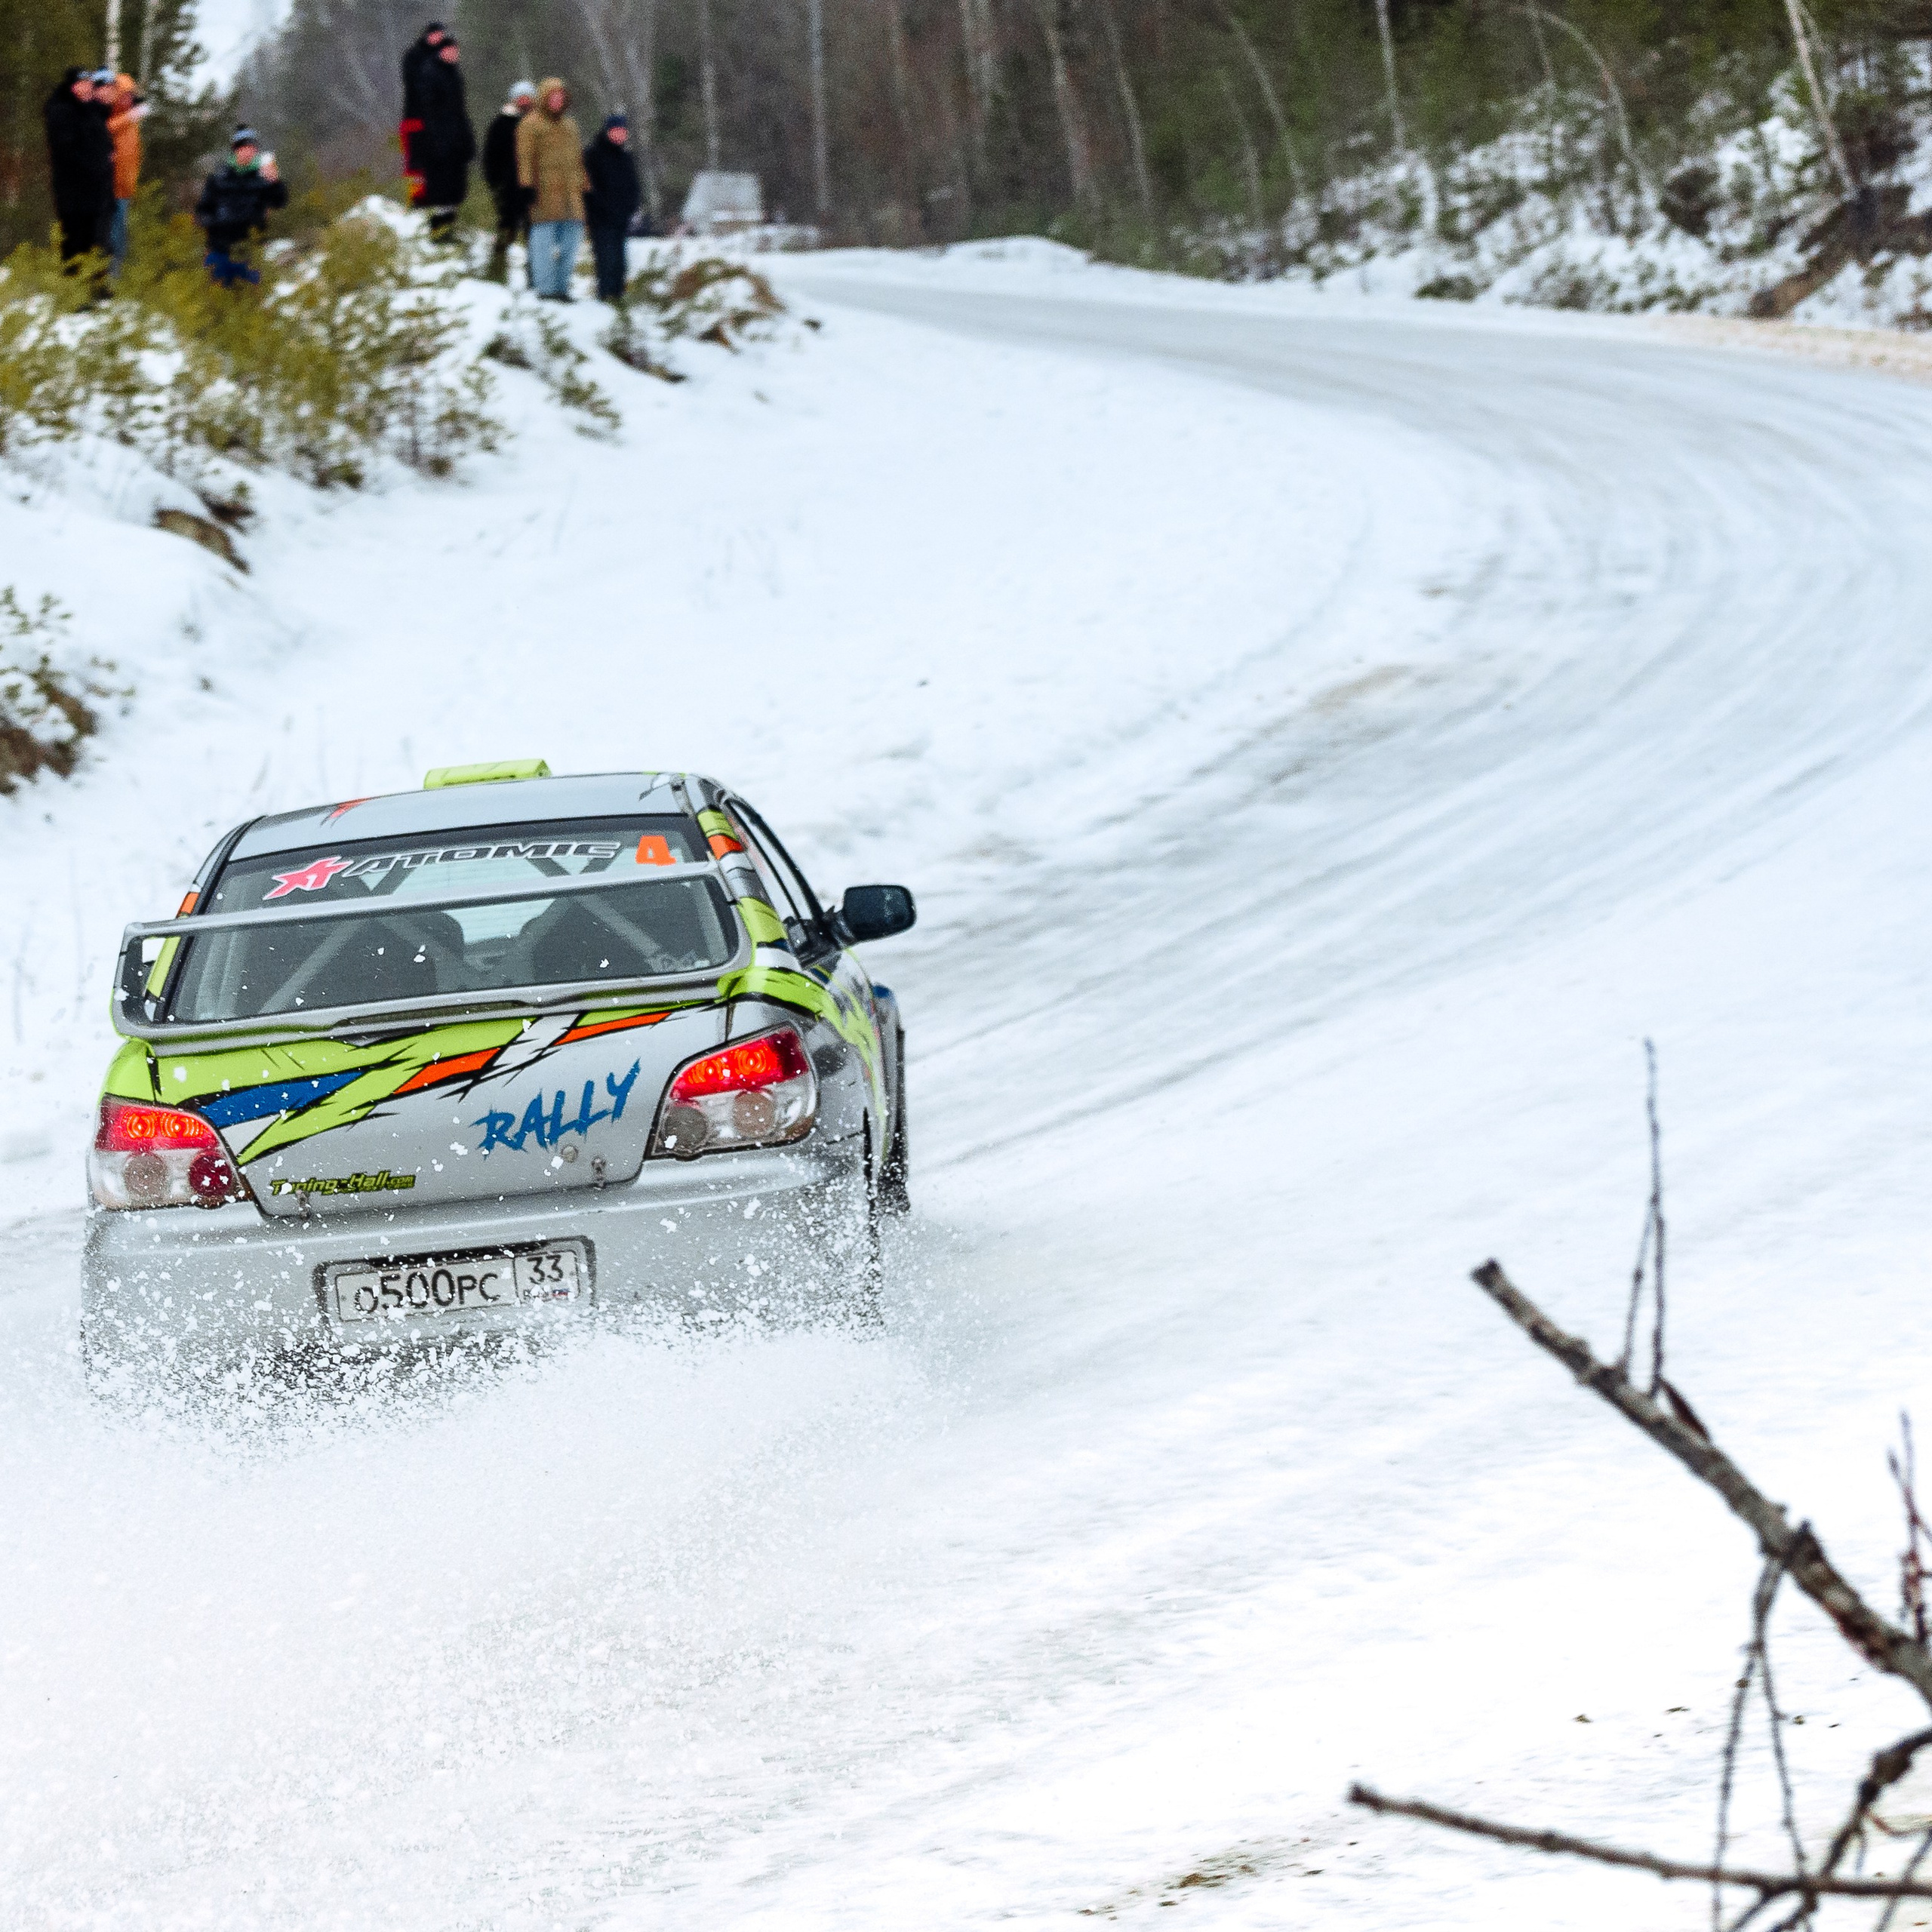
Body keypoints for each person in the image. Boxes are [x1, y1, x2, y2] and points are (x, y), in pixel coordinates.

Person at [516, 78, 589, 302]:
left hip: (571, 194)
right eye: (553, 96)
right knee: (542, 245)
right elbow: (525, 159)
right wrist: (527, 186)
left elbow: (578, 159)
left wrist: (586, 185)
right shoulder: (530, 124)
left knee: (571, 244)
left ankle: (561, 287)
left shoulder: (571, 126)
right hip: (544, 195)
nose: (558, 100)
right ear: (544, 98)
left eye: (561, 96)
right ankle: (546, 290)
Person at [195, 128, 288, 288]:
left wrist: (276, 183)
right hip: (220, 249)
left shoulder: (263, 178)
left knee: (252, 299)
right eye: (243, 147)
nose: (248, 152)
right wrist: (217, 223)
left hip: (251, 249)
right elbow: (202, 211)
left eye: (251, 147)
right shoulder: (218, 178)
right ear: (235, 150)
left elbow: (279, 202)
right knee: (219, 300)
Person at [42, 68, 113, 268]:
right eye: (85, 83)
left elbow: (102, 140)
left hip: (97, 189)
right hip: (74, 189)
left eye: (91, 83)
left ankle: (96, 285)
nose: (91, 87)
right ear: (74, 86)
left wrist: (106, 157)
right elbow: (66, 151)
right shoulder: (62, 111)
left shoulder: (91, 111)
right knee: (76, 238)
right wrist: (95, 165)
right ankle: (75, 285)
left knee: (97, 239)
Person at [411, 33, 475, 243]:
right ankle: (438, 233)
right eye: (449, 50)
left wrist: (466, 139)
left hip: (456, 140)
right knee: (441, 189)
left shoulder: (455, 74)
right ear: (441, 51)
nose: (454, 54)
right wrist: (438, 142)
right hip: (438, 143)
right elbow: (428, 112)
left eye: (456, 50)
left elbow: (460, 111)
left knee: (456, 188)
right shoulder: (430, 73)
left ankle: (449, 230)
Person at [582, 111, 641, 303]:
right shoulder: (594, 154)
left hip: (621, 217)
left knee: (620, 260)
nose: (619, 135)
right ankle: (605, 295)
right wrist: (600, 209)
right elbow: (588, 187)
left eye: (622, 131)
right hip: (601, 217)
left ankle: (617, 295)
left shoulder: (625, 156)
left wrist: (632, 206)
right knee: (606, 258)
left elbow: (633, 185)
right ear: (607, 131)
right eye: (616, 131)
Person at [481, 80, 536, 283]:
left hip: (533, 190)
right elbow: (489, 158)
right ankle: (495, 274)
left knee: (535, 237)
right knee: (506, 232)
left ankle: (535, 277)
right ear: (514, 99)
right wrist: (496, 186)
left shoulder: (539, 123)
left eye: (527, 97)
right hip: (508, 190)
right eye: (520, 97)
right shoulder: (501, 123)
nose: (524, 101)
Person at [398, 21, 449, 206]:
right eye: (436, 35)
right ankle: (417, 200)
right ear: (428, 35)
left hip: (438, 121)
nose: (439, 38)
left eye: (441, 35)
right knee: (416, 164)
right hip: (415, 118)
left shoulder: (444, 57)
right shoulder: (414, 56)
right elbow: (413, 84)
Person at [103, 73, 149, 275]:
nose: (128, 100)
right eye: (124, 95)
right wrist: (128, 118)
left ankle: (117, 281)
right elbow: (106, 129)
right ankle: (109, 281)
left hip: (126, 190)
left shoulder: (132, 121)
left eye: (130, 96)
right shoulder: (111, 115)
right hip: (110, 189)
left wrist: (133, 183)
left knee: (120, 239)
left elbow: (135, 155)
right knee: (112, 238)